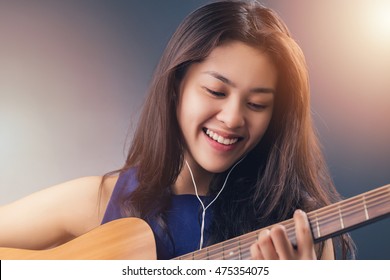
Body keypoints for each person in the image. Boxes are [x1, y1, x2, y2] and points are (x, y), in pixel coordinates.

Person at [0, 0, 354, 260]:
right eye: (216, 91)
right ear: (176, 87)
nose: (232, 118)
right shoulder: (98, 202)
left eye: (257, 104)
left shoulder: (303, 231)